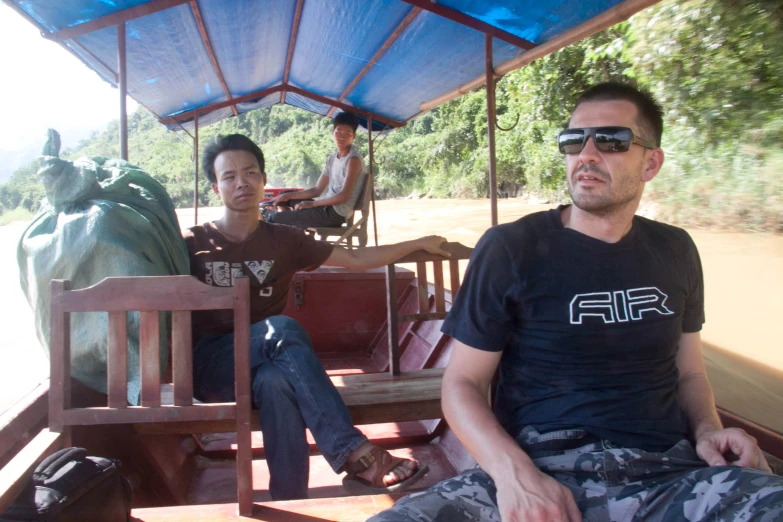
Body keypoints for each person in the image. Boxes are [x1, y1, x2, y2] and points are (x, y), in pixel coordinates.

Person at [370, 82, 783, 521]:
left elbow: (691, 373)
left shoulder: (675, 249)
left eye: (610, 140)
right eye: (573, 141)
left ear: (651, 163)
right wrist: (514, 477)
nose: (586, 154)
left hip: (671, 473)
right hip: (540, 471)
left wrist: (708, 431)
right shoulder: (511, 248)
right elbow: (462, 385)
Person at [183, 133, 447, 501]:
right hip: (212, 368)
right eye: (229, 176)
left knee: (277, 381)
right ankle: (354, 452)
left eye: (250, 172)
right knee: (283, 329)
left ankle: (290, 500)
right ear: (215, 187)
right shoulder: (192, 243)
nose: (241, 181)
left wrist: (417, 243)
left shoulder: (286, 240)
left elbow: (355, 259)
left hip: (266, 364)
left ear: (263, 180)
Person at [265, 111, 366, 228]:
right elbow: (317, 190)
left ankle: (291, 230)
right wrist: (288, 196)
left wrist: (313, 204)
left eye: (347, 133)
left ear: (354, 136)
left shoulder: (353, 160)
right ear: (333, 132)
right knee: (285, 196)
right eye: (338, 132)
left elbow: (344, 196)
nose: (342, 137)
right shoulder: (332, 158)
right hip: (325, 206)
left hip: (335, 214)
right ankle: (294, 230)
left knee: (274, 219)